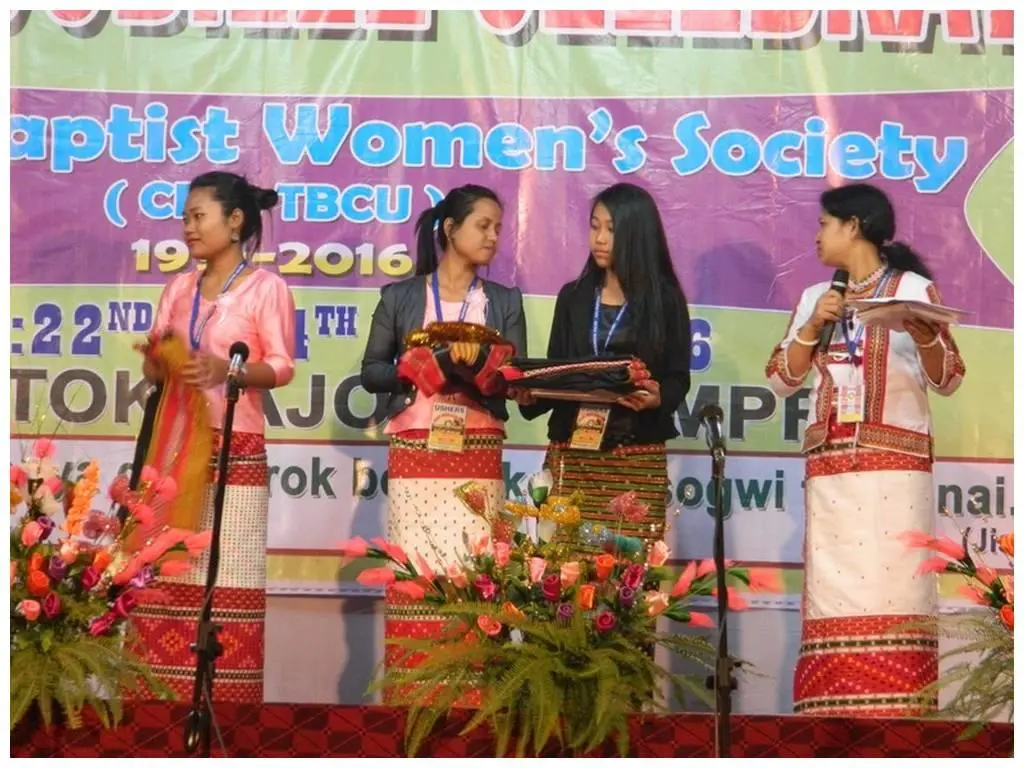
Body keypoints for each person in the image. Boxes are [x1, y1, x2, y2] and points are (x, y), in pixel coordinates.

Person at [765, 182, 966, 718]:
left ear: (853, 226)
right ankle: (831, 717)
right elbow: (781, 379)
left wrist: (924, 335)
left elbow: (949, 379)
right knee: (833, 596)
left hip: (897, 478)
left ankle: (902, 718)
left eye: (824, 224)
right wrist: (814, 324)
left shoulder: (913, 289)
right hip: (832, 476)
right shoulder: (816, 297)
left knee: (898, 593)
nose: (816, 235)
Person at [132, 171, 296, 704]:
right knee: (164, 575)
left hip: (235, 450)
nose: (188, 227)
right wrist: (159, 360)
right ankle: (156, 708)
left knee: (228, 580)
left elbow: (282, 366)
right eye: (185, 217)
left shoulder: (267, 288)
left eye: (198, 216)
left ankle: (225, 709)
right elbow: (155, 368)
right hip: (174, 447)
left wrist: (230, 371)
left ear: (235, 220)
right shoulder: (178, 288)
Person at [360, 184, 527, 695]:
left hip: (478, 452)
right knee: (418, 573)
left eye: (498, 228)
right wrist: (420, 366)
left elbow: (517, 379)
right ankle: (412, 699)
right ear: (450, 230)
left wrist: (482, 368)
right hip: (416, 451)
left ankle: (473, 702)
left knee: (476, 573)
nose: (493, 237)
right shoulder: (401, 296)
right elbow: (371, 372)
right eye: (483, 225)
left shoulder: (503, 301)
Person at [521, 182, 691, 553]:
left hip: (635, 456)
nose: (599, 238)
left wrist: (657, 398)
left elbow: (678, 377)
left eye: (611, 229)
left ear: (637, 234)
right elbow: (558, 372)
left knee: (626, 569)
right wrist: (528, 393)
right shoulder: (574, 296)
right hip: (573, 455)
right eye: (594, 226)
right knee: (566, 568)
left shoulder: (665, 300)